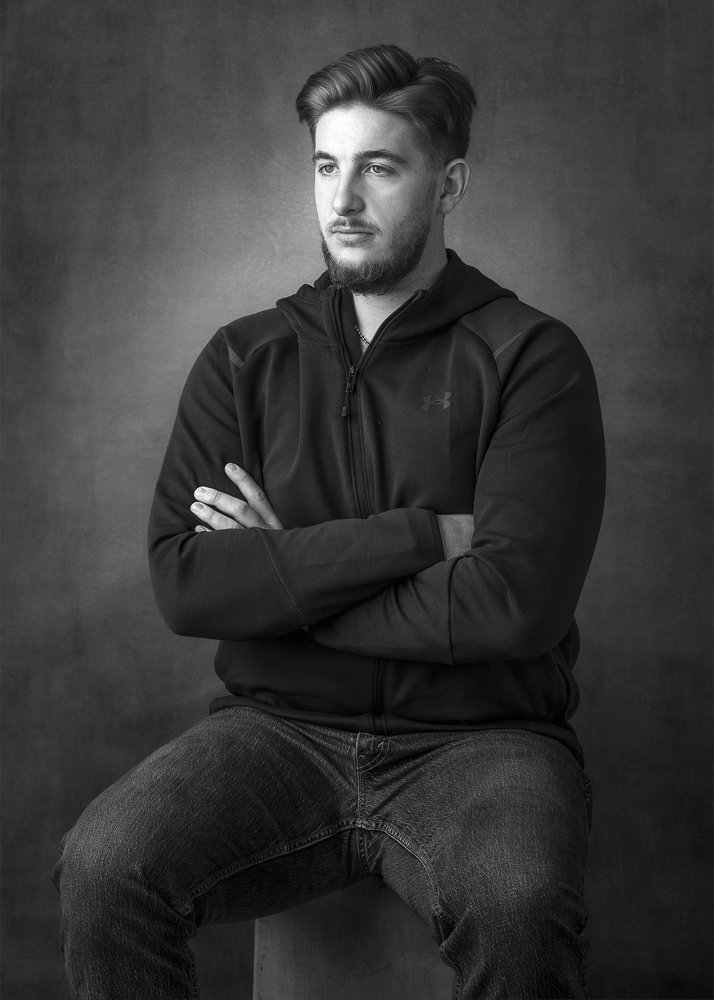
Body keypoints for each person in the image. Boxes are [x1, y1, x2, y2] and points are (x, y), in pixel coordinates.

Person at [53, 44, 606, 999]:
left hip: (484, 742)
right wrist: (422, 537)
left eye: (379, 168)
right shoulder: (242, 358)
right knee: (105, 866)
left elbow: (514, 608)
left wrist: (282, 574)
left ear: (451, 182)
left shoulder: (532, 358)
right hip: (279, 734)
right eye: (325, 165)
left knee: (519, 903)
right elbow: (187, 583)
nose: (342, 199)